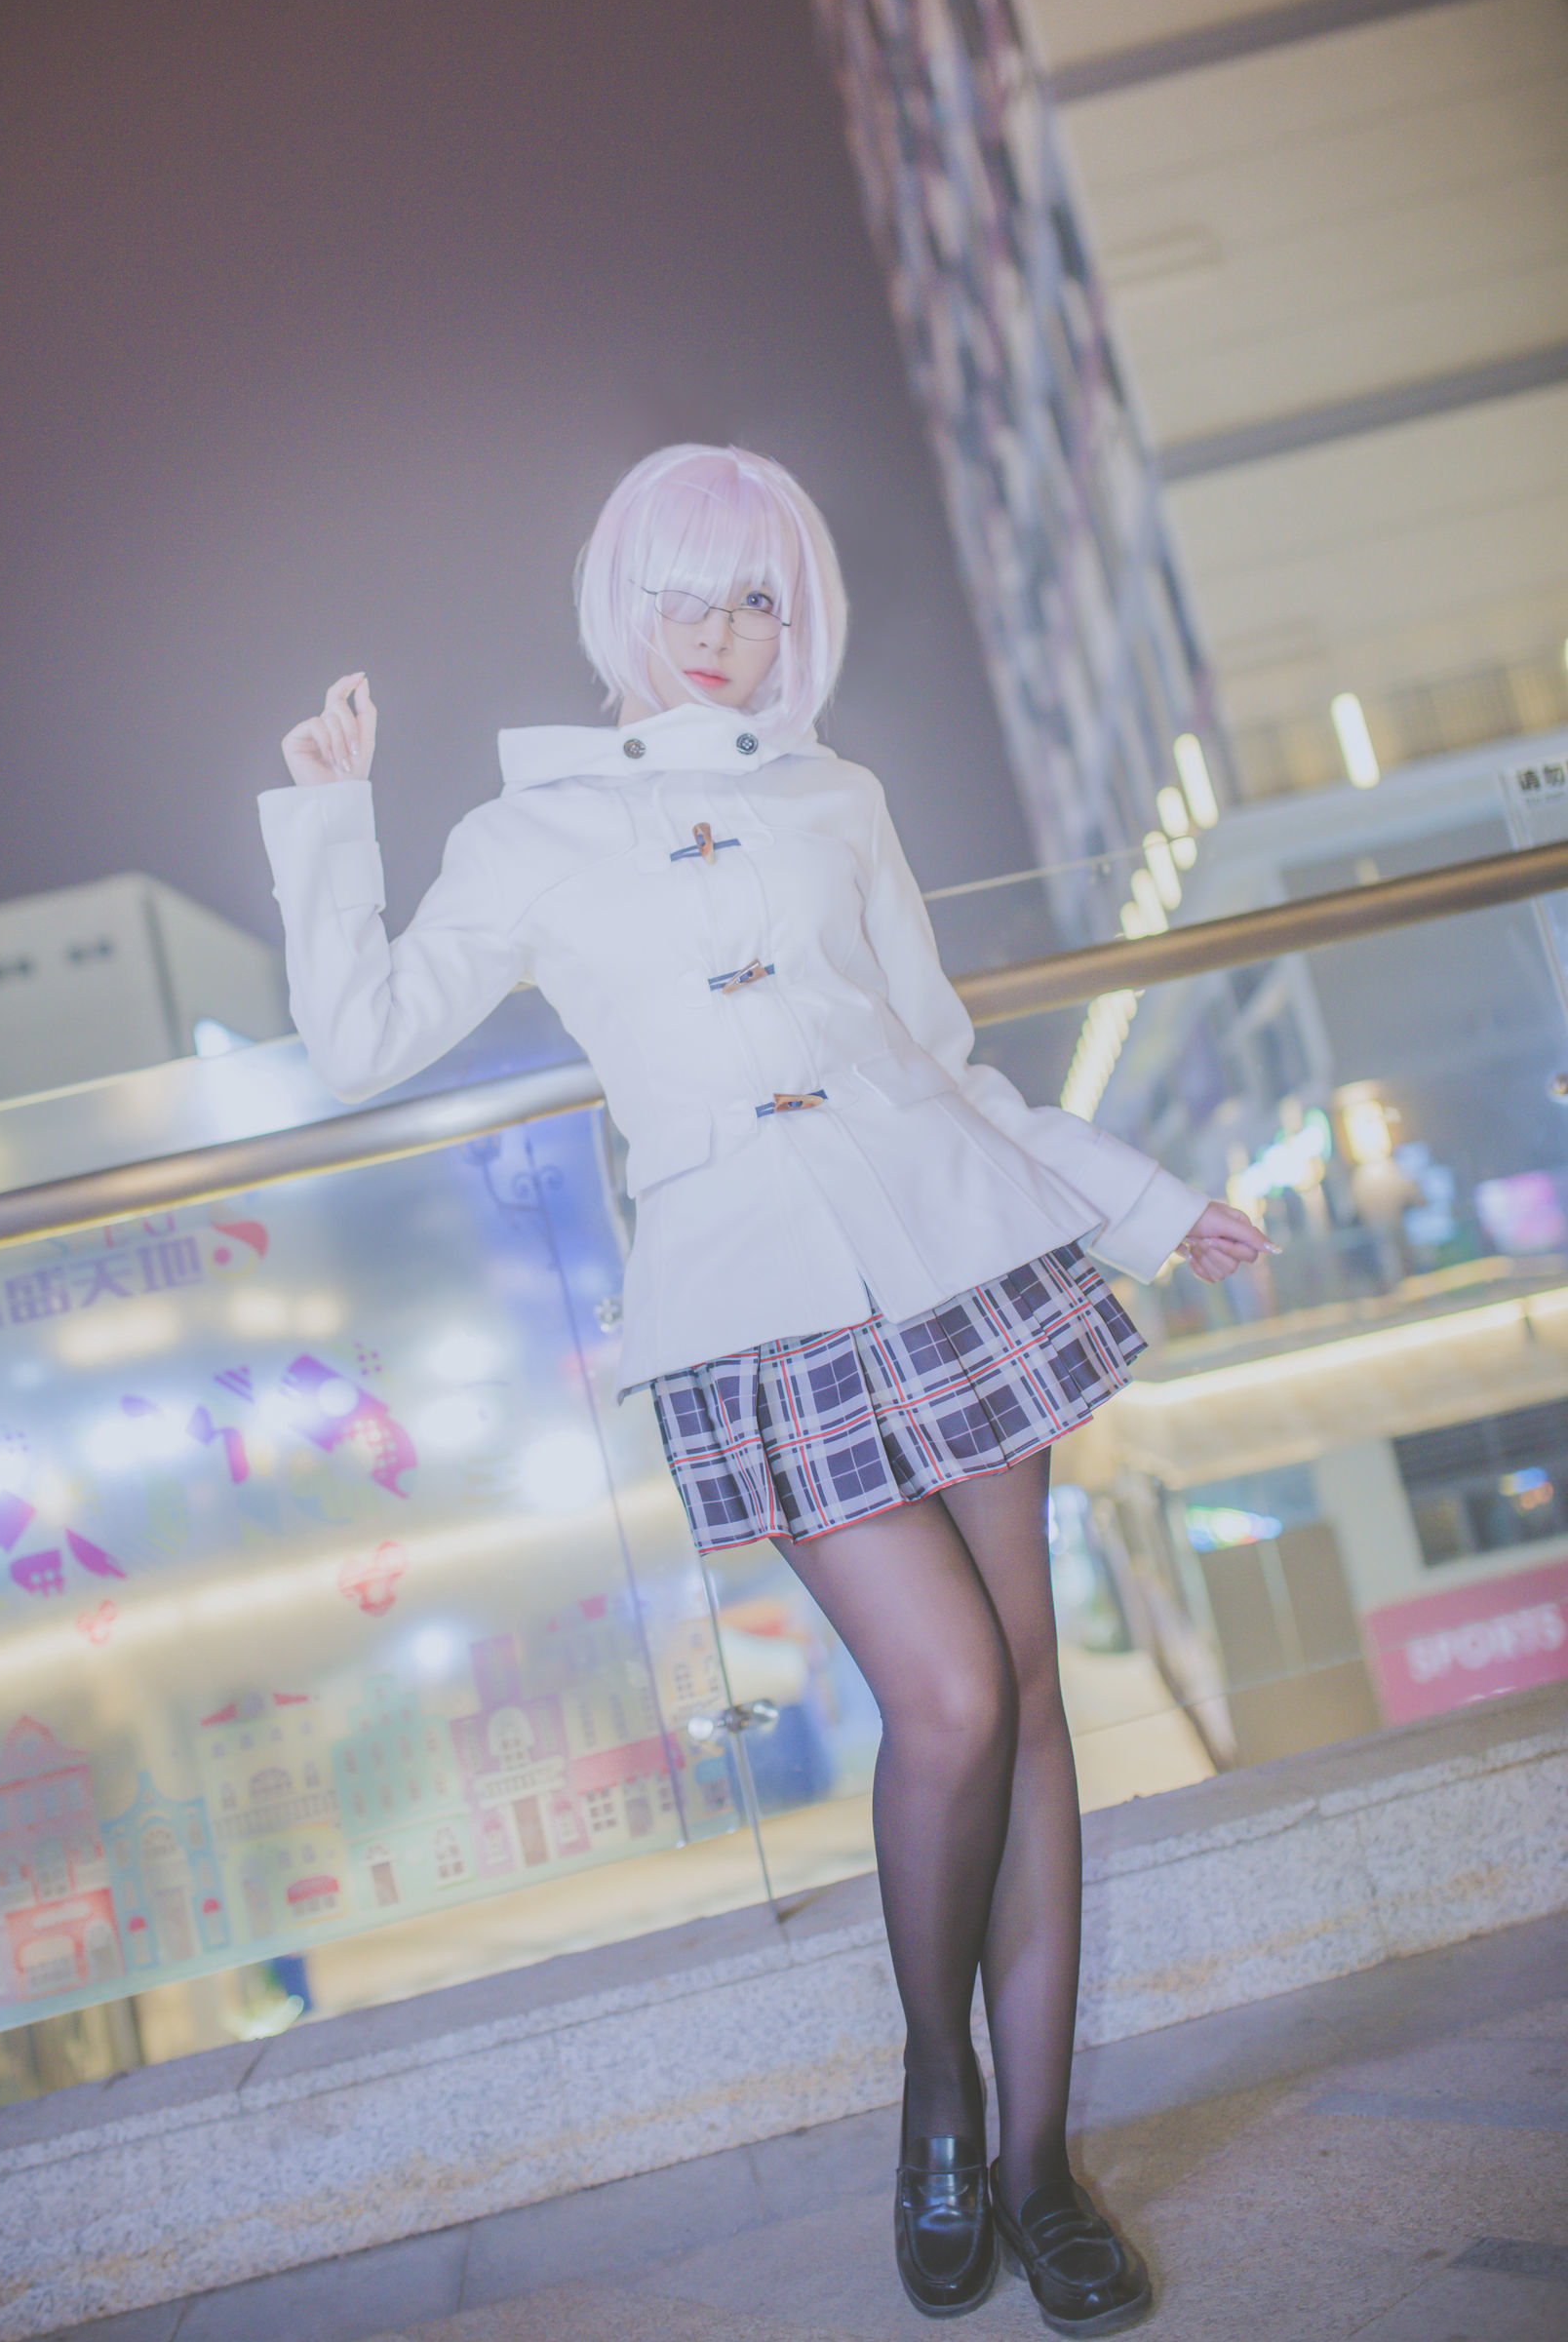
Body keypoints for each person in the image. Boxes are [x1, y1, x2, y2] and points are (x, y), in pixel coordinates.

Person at [258, 444, 1270, 2327]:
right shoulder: (528, 832)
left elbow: (946, 1061)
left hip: (963, 1257)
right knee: (951, 1696)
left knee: (1033, 1700)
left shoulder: (834, 796)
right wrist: (331, 821)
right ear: (618, 603)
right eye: (686, 595)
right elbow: (359, 1040)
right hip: (758, 1313)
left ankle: (1041, 2171)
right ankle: (939, 2091)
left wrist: (1144, 1203)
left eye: (757, 600)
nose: (721, 633)